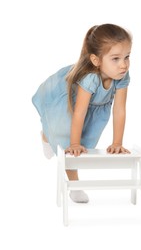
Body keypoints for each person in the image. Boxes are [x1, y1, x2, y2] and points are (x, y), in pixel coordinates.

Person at [32, 23, 132, 203]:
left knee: (86, 144)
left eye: (127, 57)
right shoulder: (91, 78)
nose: (124, 64)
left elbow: (119, 110)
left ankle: (47, 136)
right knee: (70, 146)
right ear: (96, 60)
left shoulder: (122, 77)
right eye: (115, 58)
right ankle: (75, 185)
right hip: (72, 108)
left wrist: (117, 142)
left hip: (92, 114)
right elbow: (79, 113)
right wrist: (74, 143)